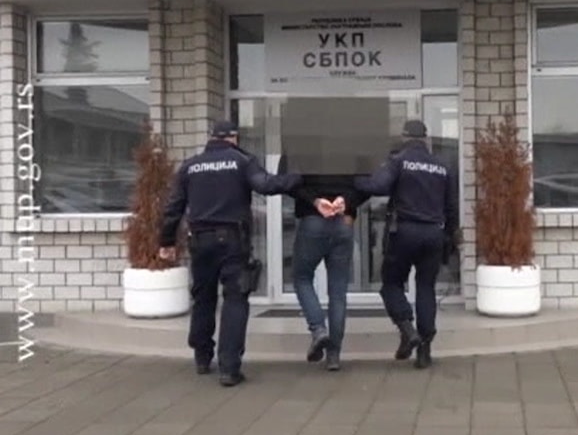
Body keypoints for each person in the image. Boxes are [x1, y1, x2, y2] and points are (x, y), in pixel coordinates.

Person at [159, 120, 300, 387]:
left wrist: (165, 241)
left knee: (203, 298)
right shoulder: (241, 161)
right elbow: (267, 185)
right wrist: (296, 177)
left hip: (199, 242)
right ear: (233, 138)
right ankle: (229, 368)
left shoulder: (190, 166)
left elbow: (173, 207)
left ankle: (202, 357)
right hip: (233, 242)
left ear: (211, 137)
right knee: (235, 300)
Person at [354, 120, 458, 368]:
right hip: (434, 233)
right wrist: (450, 236)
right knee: (426, 288)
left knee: (390, 284)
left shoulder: (398, 160)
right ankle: (425, 351)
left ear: (404, 137)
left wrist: (354, 179)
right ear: (426, 139)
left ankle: (407, 329)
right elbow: (452, 206)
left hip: (404, 232)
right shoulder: (443, 166)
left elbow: (377, 186)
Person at [277, 157, 370, 371]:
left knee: (301, 277)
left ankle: (318, 329)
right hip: (342, 223)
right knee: (338, 291)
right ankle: (334, 356)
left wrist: (315, 201)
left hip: (312, 222)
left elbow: (288, 183)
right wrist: (345, 201)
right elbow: (368, 184)